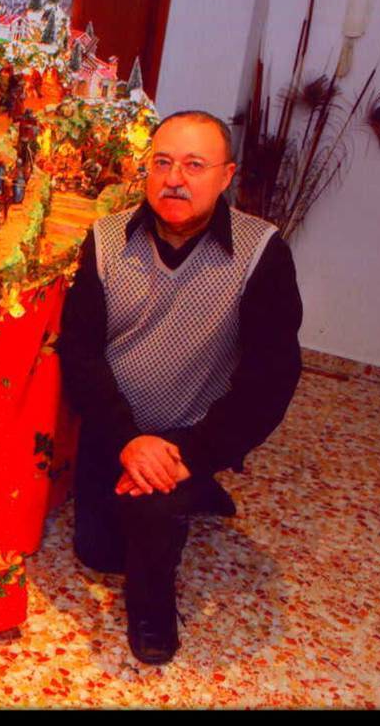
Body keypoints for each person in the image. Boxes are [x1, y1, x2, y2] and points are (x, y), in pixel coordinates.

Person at [56, 110, 303, 666]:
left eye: (194, 165)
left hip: (192, 432)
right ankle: (188, 490)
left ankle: (154, 606)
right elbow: (81, 353)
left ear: (226, 175)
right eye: (163, 163)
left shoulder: (261, 253)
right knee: (99, 554)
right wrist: (127, 439)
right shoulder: (106, 238)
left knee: (152, 515)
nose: (174, 179)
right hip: (116, 427)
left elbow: (271, 380)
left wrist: (190, 453)